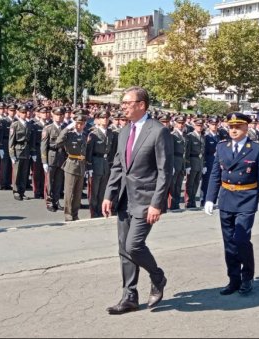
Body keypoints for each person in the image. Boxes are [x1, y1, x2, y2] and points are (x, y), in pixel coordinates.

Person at [102, 86, 173, 314]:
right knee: (124, 249)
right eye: (122, 103)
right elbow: (117, 166)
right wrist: (108, 195)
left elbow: (165, 172)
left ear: (141, 105)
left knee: (134, 245)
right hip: (124, 199)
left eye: (127, 102)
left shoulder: (158, 131)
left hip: (145, 200)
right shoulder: (124, 131)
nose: (123, 106)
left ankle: (157, 276)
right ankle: (129, 296)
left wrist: (157, 203)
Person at [204, 112, 259, 296]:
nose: (233, 130)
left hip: (246, 198)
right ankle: (233, 279)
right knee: (229, 243)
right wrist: (210, 198)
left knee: (241, 239)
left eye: (238, 127)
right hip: (226, 197)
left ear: (246, 128)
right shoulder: (222, 147)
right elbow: (215, 175)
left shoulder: (257, 148)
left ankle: (247, 277)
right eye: (231, 127)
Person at [57, 112, 88, 222]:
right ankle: (68, 214)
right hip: (71, 164)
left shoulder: (84, 135)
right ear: (74, 124)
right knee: (69, 192)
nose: (80, 126)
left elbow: (85, 152)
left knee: (78, 192)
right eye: (78, 123)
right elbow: (58, 142)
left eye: (82, 123)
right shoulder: (70, 135)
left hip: (81, 165)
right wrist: (66, 129)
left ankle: (75, 213)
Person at [86, 111, 114, 218]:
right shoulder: (93, 134)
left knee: (103, 189)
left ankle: (100, 210)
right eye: (102, 117)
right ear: (98, 119)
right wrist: (89, 166)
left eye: (107, 117)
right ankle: (93, 212)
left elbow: (111, 150)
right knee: (94, 190)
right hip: (95, 162)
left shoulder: (110, 133)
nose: (105, 120)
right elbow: (89, 151)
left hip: (105, 163)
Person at [41, 107, 67, 211]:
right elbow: (43, 146)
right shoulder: (48, 128)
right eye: (57, 114)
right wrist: (44, 161)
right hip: (51, 156)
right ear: (53, 115)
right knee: (49, 182)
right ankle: (49, 202)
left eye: (61, 115)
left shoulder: (65, 128)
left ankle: (56, 201)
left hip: (61, 158)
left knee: (58, 182)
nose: (59, 116)